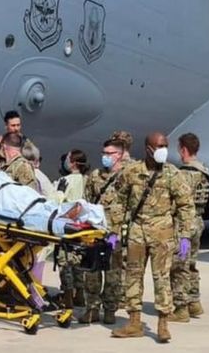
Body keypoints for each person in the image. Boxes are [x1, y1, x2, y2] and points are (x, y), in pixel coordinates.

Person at [111, 132, 195, 343]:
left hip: (162, 232)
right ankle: (134, 322)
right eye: (159, 146)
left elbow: (186, 205)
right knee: (133, 276)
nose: (163, 150)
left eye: (165, 146)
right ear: (148, 148)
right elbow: (118, 201)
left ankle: (163, 324)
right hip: (137, 230)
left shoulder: (172, 174)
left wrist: (185, 236)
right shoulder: (132, 172)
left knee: (161, 278)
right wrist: (113, 231)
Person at [79, 139, 126, 325]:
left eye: (110, 153)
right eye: (104, 153)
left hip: (115, 233)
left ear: (120, 155)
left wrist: (121, 230)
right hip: (95, 231)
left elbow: (132, 206)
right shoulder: (95, 176)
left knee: (113, 273)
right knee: (92, 271)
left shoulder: (126, 177)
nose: (105, 156)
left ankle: (110, 309)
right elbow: (87, 202)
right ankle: (92, 308)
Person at [169, 133, 209, 322]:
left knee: (179, 265)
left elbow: (177, 201)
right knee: (191, 263)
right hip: (198, 222)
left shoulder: (184, 174)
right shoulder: (204, 171)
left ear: (183, 149)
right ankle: (194, 302)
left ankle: (181, 308)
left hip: (184, 226)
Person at [54, 149, 90, 307]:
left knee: (65, 261)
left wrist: (59, 192)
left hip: (68, 225)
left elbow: (57, 203)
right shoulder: (87, 179)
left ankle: (67, 296)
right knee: (78, 260)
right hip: (84, 226)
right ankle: (80, 294)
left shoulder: (66, 180)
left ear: (73, 162)